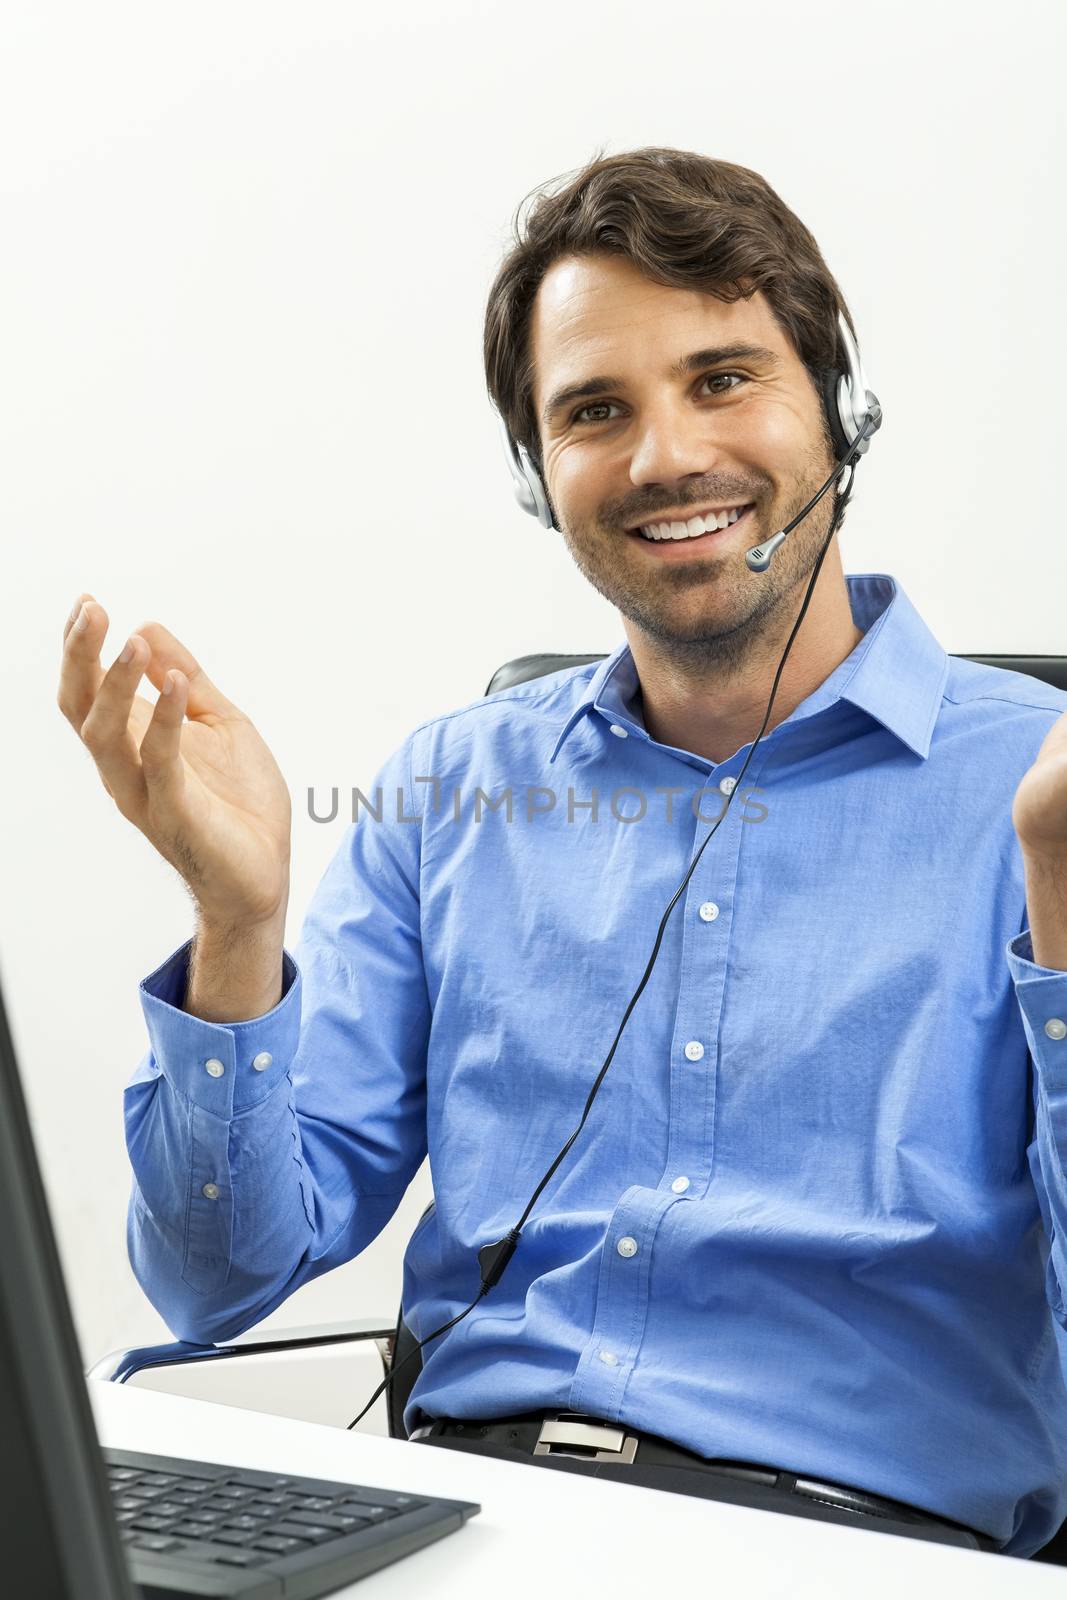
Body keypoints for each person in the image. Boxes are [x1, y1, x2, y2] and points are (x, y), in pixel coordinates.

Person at [57, 148, 1067, 1560]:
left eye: (723, 378)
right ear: (542, 476)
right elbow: (215, 1285)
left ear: (842, 412)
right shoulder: (450, 788)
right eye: (597, 410)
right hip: (473, 1518)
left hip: (865, 1547)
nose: (664, 458)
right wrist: (238, 926)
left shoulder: (1048, 794)